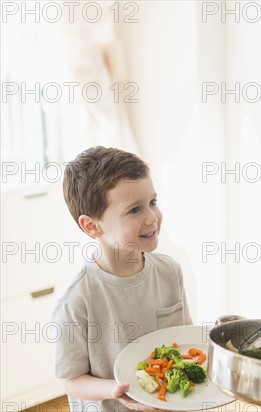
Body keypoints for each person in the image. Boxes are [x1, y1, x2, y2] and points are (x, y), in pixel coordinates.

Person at [53, 146, 193, 412]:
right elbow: (72, 380)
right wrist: (114, 390)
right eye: (134, 210)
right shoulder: (76, 299)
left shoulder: (169, 271)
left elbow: (185, 337)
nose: (152, 217)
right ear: (92, 226)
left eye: (152, 202)